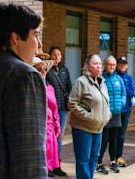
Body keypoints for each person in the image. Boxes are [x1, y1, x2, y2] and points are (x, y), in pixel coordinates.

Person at [0, 2, 48, 179]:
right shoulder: (23, 76)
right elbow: (29, 159)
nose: (39, 44)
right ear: (15, 38)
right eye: (35, 35)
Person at [68, 54, 112, 179]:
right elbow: (72, 104)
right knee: (83, 159)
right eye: (95, 63)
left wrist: (107, 115)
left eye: (100, 63)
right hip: (83, 128)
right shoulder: (81, 82)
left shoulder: (102, 82)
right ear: (87, 66)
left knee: (94, 157)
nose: (99, 66)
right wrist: (89, 116)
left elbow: (106, 102)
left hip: (98, 128)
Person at [96, 56, 126, 175]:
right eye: (109, 65)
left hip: (116, 114)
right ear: (105, 65)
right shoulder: (101, 79)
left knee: (114, 139)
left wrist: (122, 104)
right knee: (104, 139)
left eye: (114, 65)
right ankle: (99, 163)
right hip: (105, 114)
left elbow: (124, 93)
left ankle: (113, 162)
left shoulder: (119, 78)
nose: (112, 67)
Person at [32, 56, 61, 177]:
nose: (43, 72)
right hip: (38, 130)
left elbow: (55, 110)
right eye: (39, 70)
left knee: (50, 156)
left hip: (50, 129)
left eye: (44, 69)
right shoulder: (31, 87)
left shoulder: (50, 88)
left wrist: (57, 125)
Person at [46, 46, 71, 177]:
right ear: (49, 56)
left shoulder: (64, 70)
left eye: (59, 55)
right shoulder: (47, 70)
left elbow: (69, 87)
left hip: (62, 109)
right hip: (50, 110)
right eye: (54, 55)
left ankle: (57, 165)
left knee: (58, 137)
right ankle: (48, 166)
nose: (56, 57)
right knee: (49, 138)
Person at [115, 56, 135, 167]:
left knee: (121, 134)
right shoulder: (113, 76)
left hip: (126, 109)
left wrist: (122, 88)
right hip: (115, 110)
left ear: (127, 66)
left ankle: (119, 156)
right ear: (117, 65)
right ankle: (112, 157)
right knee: (112, 134)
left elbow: (132, 92)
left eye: (124, 64)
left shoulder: (129, 78)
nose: (122, 65)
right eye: (120, 64)